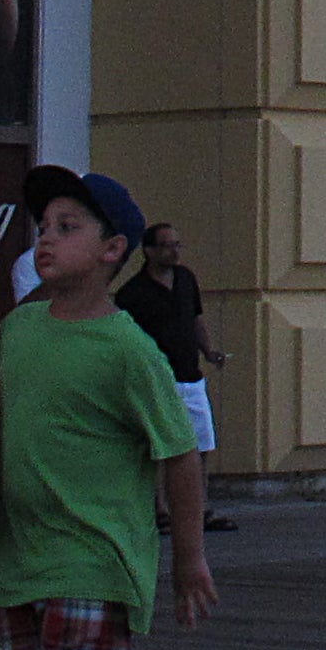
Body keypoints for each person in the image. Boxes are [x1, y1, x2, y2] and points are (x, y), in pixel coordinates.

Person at [0, 167, 217, 650]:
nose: (47, 238)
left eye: (67, 228)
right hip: (15, 571)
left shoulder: (128, 350)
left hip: (94, 568)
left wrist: (188, 557)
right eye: (44, 226)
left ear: (111, 250)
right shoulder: (17, 331)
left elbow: (179, 454)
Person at [116, 221, 234, 530]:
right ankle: (160, 510)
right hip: (157, 379)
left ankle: (200, 508)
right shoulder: (133, 293)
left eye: (178, 245)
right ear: (150, 251)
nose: (175, 251)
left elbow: (195, 319)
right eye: (167, 245)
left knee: (201, 443)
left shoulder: (185, 280)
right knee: (158, 447)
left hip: (189, 375)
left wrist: (208, 350)